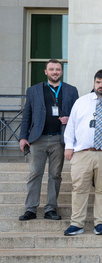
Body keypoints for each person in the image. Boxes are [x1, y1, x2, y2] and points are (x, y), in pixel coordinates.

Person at [63, 69, 102, 236]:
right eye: (98, 82)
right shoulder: (81, 102)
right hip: (82, 152)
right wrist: (69, 145)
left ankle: (100, 223)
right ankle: (76, 223)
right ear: (94, 83)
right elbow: (71, 126)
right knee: (79, 189)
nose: (100, 86)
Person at [18, 59, 79, 221]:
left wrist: (70, 119)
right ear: (46, 72)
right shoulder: (33, 90)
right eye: (51, 69)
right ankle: (30, 209)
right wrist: (23, 137)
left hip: (60, 139)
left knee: (55, 175)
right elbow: (27, 116)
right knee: (34, 173)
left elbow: (79, 115)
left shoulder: (71, 91)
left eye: (57, 69)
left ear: (62, 71)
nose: (55, 72)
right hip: (37, 139)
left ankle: (50, 209)